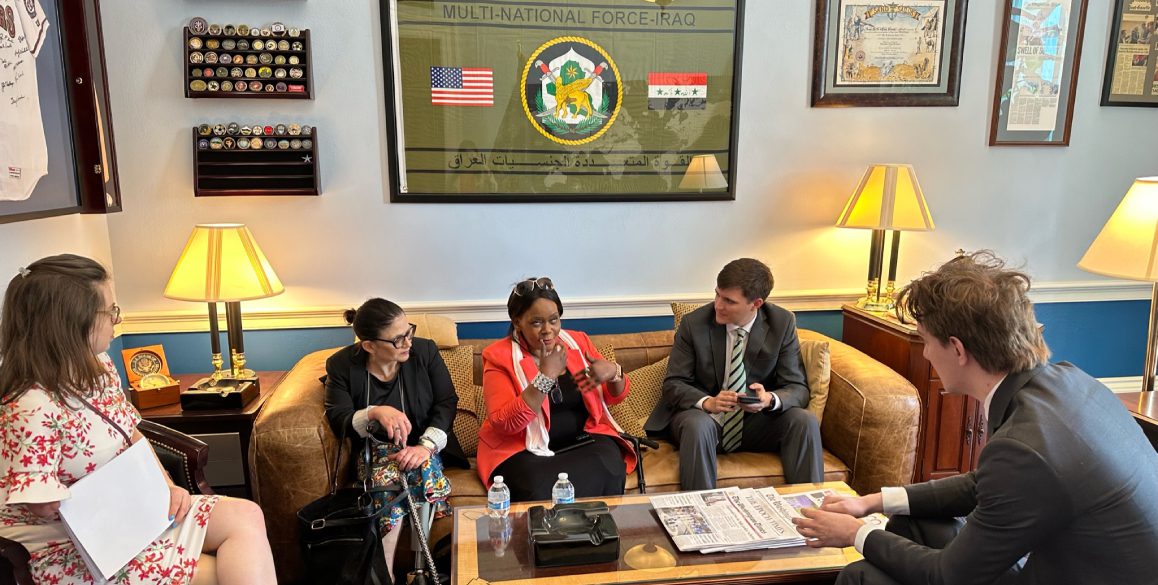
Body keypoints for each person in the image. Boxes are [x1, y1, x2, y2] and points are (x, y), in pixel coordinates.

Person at [792, 251, 1158, 585]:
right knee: (914, 521)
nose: (926, 355)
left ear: (957, 349)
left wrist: (853, 533)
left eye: (926, 342)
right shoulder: (1068, 380)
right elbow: (983, 483)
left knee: (862, 577)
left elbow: (947, 576)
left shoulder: (1025, 448)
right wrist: (872, 502)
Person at [0, 254, 275, 585]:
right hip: (79, 543)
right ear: (74, 323)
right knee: (223, 573)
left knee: (246, 514)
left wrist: (167, 486)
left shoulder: (98, 367)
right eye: (110, 311)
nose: (117, 320)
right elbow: (41, 507)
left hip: (131, 513)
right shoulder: (29, 405)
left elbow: (131, 432)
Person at [645, 258, 822, 491]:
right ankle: (702, 516)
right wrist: (709, 402)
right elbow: (674, 384)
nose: (718, 305)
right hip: (704, 419)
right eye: (717, 294)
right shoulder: (693, 324)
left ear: (756, 303)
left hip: (755, 423)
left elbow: (797, 388)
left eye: (729, 301)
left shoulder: (782, 322)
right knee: (698, 426)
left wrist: (768, 400)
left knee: (804, 420)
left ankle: (811, 511)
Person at [324, 298, 468, 580]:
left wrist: (425, 447)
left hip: (425, 444)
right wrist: (374, 412)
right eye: (398, 339)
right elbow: (338, 416)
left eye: (409, 332)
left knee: (415, 464)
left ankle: (389, 574)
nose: (408, 342)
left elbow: (446, 403)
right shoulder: (341, 365)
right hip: (375, 452)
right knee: (392, 473)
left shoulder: (424, 351)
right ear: (369, 345)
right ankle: (410, 573)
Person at [477, 277, 636, 501]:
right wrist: (545, 377)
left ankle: (597, 533)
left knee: (610, 467)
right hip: (524, 451)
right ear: (517, 322)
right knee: (536, 486)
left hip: (582, 441)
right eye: (536, 323)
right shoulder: (499, 357)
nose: (548, 330)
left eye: (554, 320)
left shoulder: (576, 344)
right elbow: (505, 424)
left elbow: (614, 397)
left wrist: (613, 373)